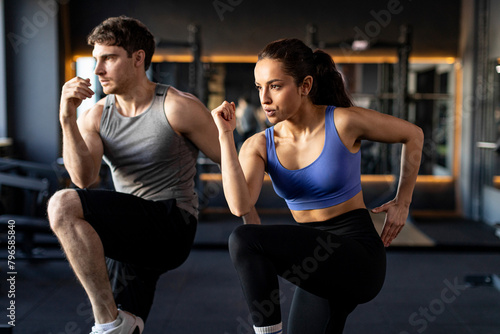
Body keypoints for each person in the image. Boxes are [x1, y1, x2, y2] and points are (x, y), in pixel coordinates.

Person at [211, 38, 424, 334]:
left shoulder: (343, 122)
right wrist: (225, 136)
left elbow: (413, 135)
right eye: (260, 87)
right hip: (314, 259)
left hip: (356, 255)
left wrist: (403, 202)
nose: (264, 98)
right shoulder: (259, 144)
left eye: (275, 86)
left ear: (305, 85)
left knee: (244, 240)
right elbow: (240, 205)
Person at [47, 16, 221, 334]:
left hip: (172, 224)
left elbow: (230, 158)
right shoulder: (96, 115)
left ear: (138, 58)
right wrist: (67, 119)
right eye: (96, 59)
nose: (98, 70)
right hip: (130, 227)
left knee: (62, 205)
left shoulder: (177, 107)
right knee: (124, 325)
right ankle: (114, 323)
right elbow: (84, 180)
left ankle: (105, 320)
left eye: (109, 58)